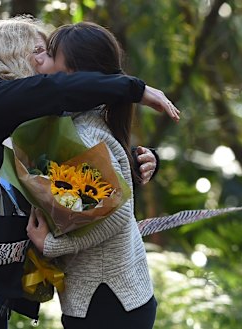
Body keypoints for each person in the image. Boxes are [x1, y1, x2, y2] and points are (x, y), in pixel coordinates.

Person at [0, 16, 179, 329]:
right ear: (11, 55)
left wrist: (138, 161)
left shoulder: (9, 111)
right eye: (38, 50)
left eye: (48, 52)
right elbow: (51, 90)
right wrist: (132, 88)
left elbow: (76, 178)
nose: (43, 60)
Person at [25, 22, 159, 328]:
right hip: (119, 295)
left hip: (105, 301)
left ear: (71, 74)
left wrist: (54, 246)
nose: (39, 62)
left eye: (48, 54)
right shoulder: (94, 121)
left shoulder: (82, 136)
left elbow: (117, 213)